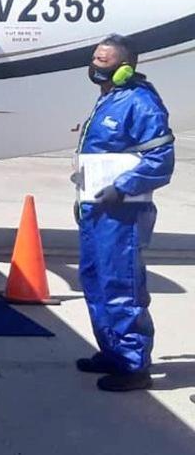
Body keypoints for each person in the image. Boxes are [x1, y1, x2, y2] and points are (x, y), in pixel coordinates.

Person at [73, 34, 174, 392]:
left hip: (123, 214)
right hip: (96, 208)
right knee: (94, 278)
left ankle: (134, 365)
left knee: (121, 284)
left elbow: (161, 160)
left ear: (124, 68)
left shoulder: (141, 103)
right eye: (95, 59)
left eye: (104, 61)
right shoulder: (108, 100)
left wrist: (123, 186)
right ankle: (112, 351)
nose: (96, 66)